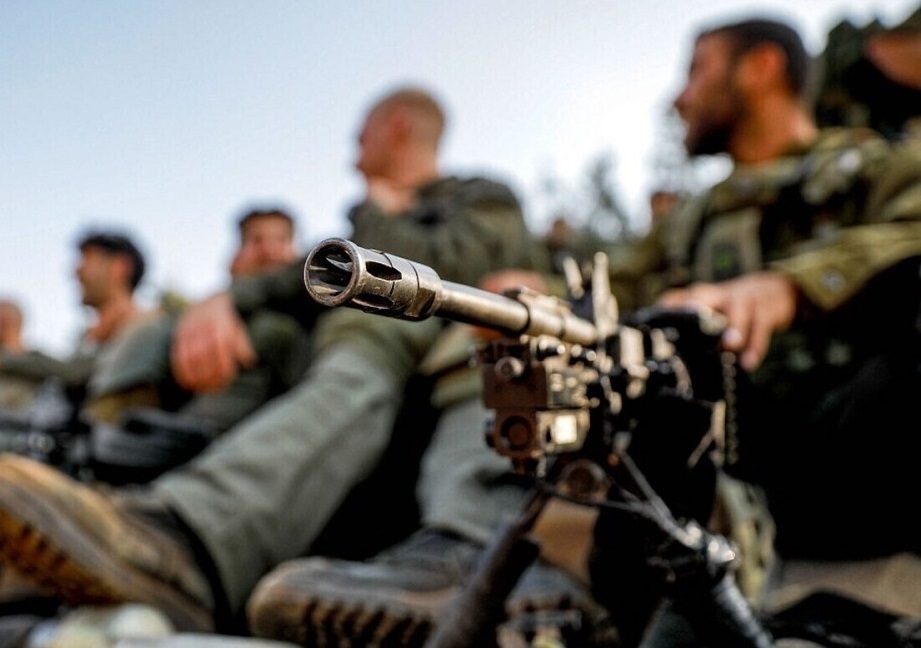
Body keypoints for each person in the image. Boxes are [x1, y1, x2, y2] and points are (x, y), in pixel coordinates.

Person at [250, 15, 921, 648]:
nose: (679, 97)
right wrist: (537, 292)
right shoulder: (690, 221)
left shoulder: (871, 165)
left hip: (848, 438)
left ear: (760, 68)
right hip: (694, 449)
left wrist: (791, 286)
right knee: (510, 336)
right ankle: (475, 556)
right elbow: (614, 284)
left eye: (697, 70)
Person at [0, 85, 538, 636]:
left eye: (362, 133)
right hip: (359, 362)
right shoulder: (367, 218)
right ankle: (171, 530)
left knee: (387, 324)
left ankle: (198, 540)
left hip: (447, 350)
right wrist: (226, 300)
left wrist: (379, 207)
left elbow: (446, 268)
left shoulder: (478, 196)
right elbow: (306, 277)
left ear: (396, 126)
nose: (353, 146)